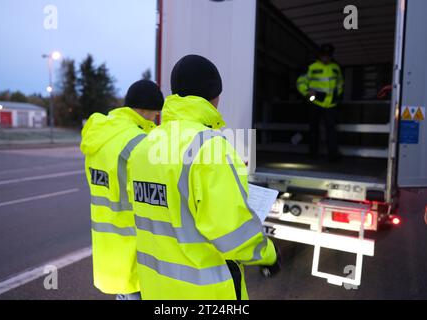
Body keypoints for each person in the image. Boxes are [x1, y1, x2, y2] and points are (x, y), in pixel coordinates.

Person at [127, 54, 277, 300]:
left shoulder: (145, 144)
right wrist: (268, 254)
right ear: (214, 96)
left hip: (155, 287)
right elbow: (231, 230)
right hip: (205, 291)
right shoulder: (210, 146)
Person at [80, 80, 164, 300]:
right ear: (144, 110)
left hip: (108, 253)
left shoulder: (100, 138)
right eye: (156, 114)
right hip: (136, 255)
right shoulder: (140, 143)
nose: (156, 119)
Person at [297, 43, 344, 162]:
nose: (325, 58)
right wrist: (307, 92)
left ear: (331, 56)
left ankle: (333, 156)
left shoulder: (336, 68)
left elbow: (340, 83)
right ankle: (313, 155)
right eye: (323, 55)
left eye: (328, 55)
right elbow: (301, 82)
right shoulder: (312, 67)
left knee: (331, 130)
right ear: (319, 55)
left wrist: (337, 96)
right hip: (316, 102)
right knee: (314, 129)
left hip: (331, 104)